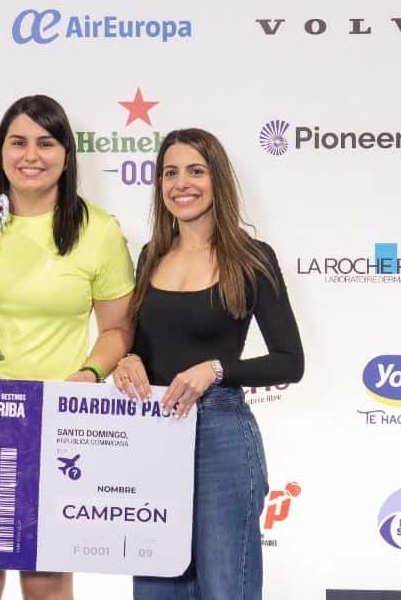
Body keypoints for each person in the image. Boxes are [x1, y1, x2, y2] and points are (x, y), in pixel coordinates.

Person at [0, 94, 136, 600]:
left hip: (51, 419)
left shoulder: (98, 230)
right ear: (0, 152)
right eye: (18, 142)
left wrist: (88, 374)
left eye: (46, 142)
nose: (31, 155)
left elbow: (119, 330)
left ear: (66, 153)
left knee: (46, 583)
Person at [112, 128, 304, 600]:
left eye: (195, 171)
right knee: (157, 590)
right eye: (170, 173)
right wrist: (129, 359)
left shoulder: (252, 258)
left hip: (221, 433)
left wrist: (215, 370)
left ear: (217, 179)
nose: (182, 184)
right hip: (154, 433)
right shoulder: (150, 255)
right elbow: (144, 345)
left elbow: (290, 361)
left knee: (224, 589)